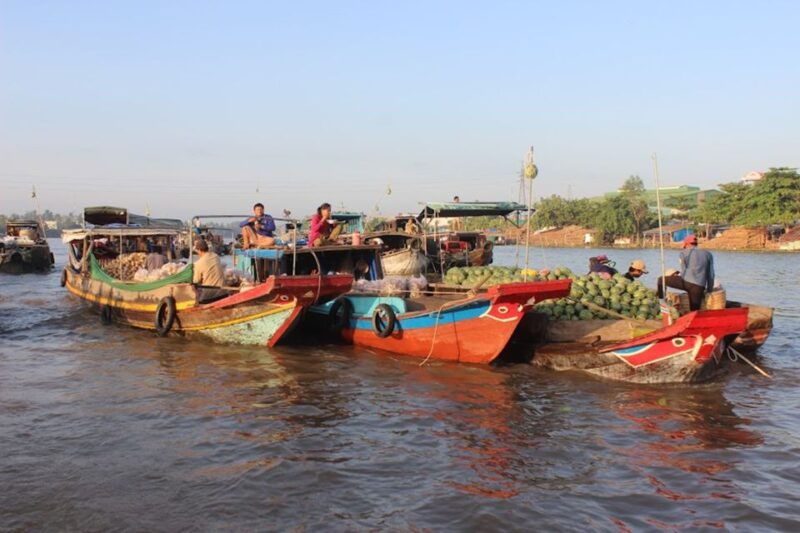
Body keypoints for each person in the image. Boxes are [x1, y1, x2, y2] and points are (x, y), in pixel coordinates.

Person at [656, 234, 714, 311]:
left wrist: (677, 276)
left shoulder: (683, 253)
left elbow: (683, 271)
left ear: (687, 244)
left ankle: (662, 303)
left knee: (661, 280)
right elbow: (711, 275)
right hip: (699, 287)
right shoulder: (708, 254)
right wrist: (709, 290)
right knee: (694, 311)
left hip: (686, 282)